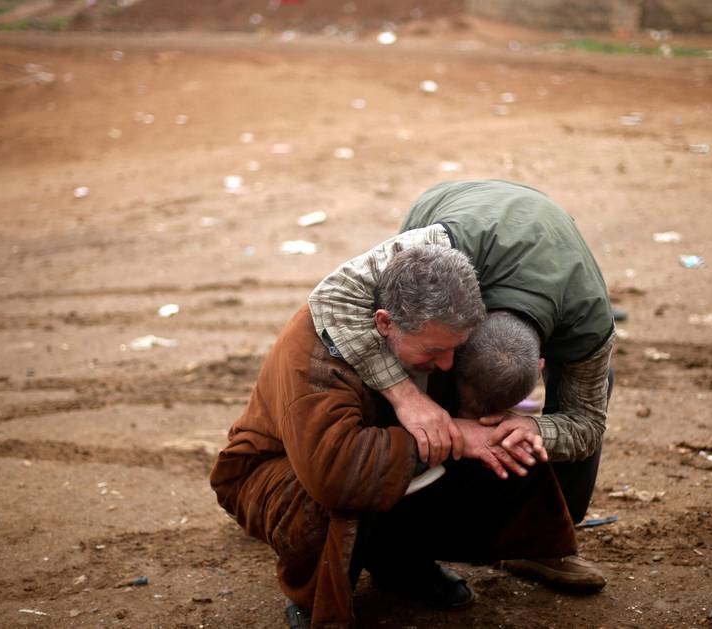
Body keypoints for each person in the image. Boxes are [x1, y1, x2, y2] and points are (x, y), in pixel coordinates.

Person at [210, 246, 577, 629]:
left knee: (499, 442)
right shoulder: (314, 355)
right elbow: (333, 470)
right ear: (384, 324)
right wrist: (455, 435)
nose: (449, 364)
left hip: (370, 445)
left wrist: (494, 428)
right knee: (335, 491)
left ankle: (399, 562)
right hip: (275, 471)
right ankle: (313, 589)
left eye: (455, 348)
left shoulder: (429, 326)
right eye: (435, 351)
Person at [309, 179, 616, 588]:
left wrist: (536, 428)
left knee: (586, 400)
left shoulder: (588, 329)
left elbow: (588, 424)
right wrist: (405, 397)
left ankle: (546, 544)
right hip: (469, 219)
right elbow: (332, 296)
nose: (476, 423)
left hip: (553, 264)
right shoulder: (439, 251)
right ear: (464, 336)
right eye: (445, 357)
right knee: (405, 359)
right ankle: (400, 545)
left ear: (542, 364)